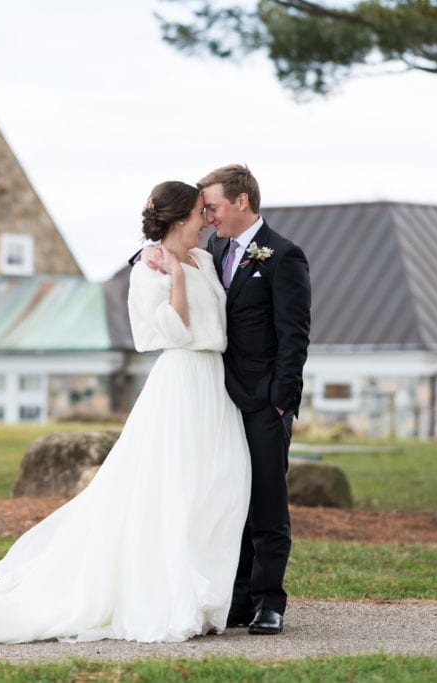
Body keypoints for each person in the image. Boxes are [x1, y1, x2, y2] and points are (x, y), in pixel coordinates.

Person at [0, 181, 251, 647]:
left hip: (216, 383)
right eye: (197, 213)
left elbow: (223, 323)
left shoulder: (208, 260)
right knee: (175, 487)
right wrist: (173, 277)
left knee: (220, 487)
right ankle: (173, 598)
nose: (206, 220)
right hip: (181, 381)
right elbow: (164, 333)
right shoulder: (147, 272)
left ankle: (207, 594)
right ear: (175, 220)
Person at [146, 165, 311, 635]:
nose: (208, 216)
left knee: (266, 500)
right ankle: (235, 598)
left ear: (241, 202)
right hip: (212, 399)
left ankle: (269, 600)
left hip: (263, 402)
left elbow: (294, 335)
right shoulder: (209, 250)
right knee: (224, 496)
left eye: (212, 206)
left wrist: (281, 401)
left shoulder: (284, 256)